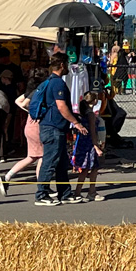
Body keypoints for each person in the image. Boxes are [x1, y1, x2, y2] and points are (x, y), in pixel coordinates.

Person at [32, 52, 89, 206]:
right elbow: (61, 106)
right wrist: (76, 123)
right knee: (50, 161)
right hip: (53, 128)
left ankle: (65, 193)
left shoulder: (51, 81)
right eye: (67, 65)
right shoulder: (57, 83)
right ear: (62, 65)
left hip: (56, 127)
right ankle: (41, 194)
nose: (69, 69)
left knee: (62, 162)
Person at [0, 77, 44, 196]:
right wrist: (33, 111)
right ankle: (42, 186)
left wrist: (29, 110)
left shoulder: (30, 93)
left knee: (32, 157)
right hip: (36, 126)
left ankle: (7, 177)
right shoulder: (37, 93)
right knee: (42, 156)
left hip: (30, 126)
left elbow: (18, 101)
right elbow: (20, 103)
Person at [70, 92, 105, 202]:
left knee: (87, 168)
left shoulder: (84, 113)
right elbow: (93, 132)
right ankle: (88, 192)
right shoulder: (91, 115)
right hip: (89, 144)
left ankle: (81, 192)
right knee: (90, 168)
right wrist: (96, 146)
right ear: (94, 101)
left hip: (83, 143)